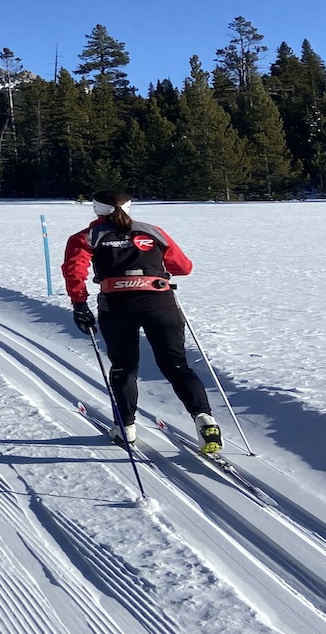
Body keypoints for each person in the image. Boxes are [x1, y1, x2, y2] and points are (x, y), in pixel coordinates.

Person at [60, 190, 222, 454]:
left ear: (96, 209)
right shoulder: (152, 231)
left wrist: (79, 304)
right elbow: (184, 267)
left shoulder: (86, 237)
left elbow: (74, 270)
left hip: (117, 305)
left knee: (124, 367)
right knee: (176, 364)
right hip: (161, 302)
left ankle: (126, 427)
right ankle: (205, 419)